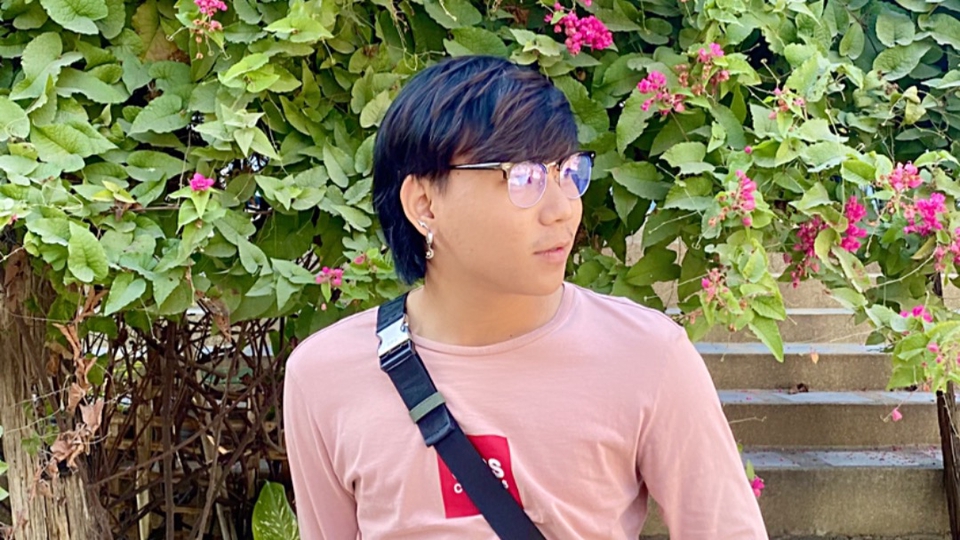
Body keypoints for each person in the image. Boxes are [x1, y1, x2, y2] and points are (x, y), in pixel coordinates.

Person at [283, 55, 768, 539]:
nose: (562, 210)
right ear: (425, 204)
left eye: (568, 172)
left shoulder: (648, 356)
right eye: (524, 178)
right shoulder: (325, 375)